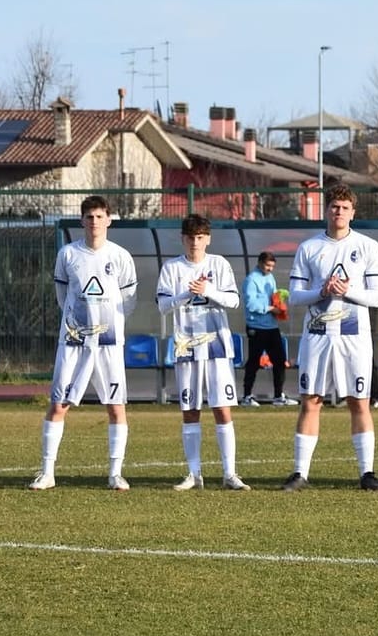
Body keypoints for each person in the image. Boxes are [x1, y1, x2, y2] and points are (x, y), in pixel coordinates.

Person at [281, 184, 378, 491]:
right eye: (334, 206)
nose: (338, 212)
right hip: (317, 334)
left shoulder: (368, 246)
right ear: (326, 210)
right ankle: (300, 474)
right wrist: (322, 291)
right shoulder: (309, 247)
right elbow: (296, 297)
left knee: (359, 402)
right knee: (311, 401)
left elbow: (377, 297)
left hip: (354, 337)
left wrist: (347, 290)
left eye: (344, 207)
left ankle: (367, 473)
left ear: (353, 212)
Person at [31, 194, 139, 491]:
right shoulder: (68, 254)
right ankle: (46, 471)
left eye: (99, 216)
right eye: (89, 217)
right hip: (74, 342)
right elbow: (62, 296)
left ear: (108, 220)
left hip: (108, 343)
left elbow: (128, 301)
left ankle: (115, 473)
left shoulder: (120, 256)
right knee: (58, 404)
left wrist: (109, 325)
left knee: (116, 406)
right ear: (82, 220)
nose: (94, 222)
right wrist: (78, 324)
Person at [156, 213, 249, 490]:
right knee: (190, 409)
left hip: (218, 348)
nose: (195, 243)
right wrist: (187, 294)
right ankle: (194, 474)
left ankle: (229, 473)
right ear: (182, 239)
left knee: (222, 409)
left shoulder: (218, 264)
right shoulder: (172, 268)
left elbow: (233, 301)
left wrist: (209, 291)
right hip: (186, 348)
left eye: (200, 237)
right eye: (190, 238)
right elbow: (162, 306)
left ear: (207, 239)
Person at [241, 251, 290, 406]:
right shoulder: (251, 280)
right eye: (268, 265)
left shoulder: (270, 278)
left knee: (280, 360)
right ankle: (247, 396)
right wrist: (270, 309)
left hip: (272, 327)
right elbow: (251, 305)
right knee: (254, 362)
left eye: (272, 266)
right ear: (260, 262)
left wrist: (280, 300)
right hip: (256, 327)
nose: (270, 269)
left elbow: (274, 296)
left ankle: (278, 396)